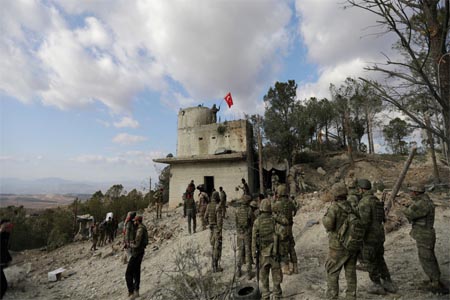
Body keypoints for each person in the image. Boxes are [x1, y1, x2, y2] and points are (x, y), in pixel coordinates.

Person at [402, 184, 449, 294]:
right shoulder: (424, 201)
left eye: (412, 192)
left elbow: (410, 214)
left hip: (424, 235)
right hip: (425, 234)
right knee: (428, 258)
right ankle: (434, 280)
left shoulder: (422, 203)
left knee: (427, 259)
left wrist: (403, 208)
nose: (410, 194)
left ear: (416, 193)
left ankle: (436, 284)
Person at [357, 179, 397, 295]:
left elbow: (364, 222)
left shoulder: (364, 202)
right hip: (379, 235)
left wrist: (357, 237)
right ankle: (388, 282)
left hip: (370, 236)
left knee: (370, 260)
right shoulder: (376, 201)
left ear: (361, 189)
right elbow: (382, 218)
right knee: (380, 258)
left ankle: (377, 285)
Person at [323, 183, 358, 300]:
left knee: (332, 272)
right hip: (351, 245)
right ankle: (351, 296)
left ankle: (332, 297)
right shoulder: (351, 206)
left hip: (337, 247)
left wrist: (324, 217)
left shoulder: (334, 208)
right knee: (351, 272)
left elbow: (328, 225)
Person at [252, 199, 283, 300]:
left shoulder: (257, 222)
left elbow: (253, 239)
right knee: (276, 276)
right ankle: (277, 295)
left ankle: (265, 296)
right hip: (275, 253)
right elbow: (281, 235)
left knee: (264, 277)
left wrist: (254, 254)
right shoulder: (274, 220)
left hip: (262, 254)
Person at [272, 184, 298, 275]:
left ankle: (286, 268)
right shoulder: (290, 202)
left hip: (281, 229)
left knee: (283, 248)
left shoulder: (277, 204)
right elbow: (295, 210)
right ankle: (295, 267)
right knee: (291, 246)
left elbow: (270, 210)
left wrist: (274, 198)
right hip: (289, 228)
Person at [125, 215, 148, 299]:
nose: (134, 222)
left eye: (135, 221)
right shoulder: (141, 227)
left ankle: (131, 292)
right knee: (136, 272)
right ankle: (136, 291)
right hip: (139, 252)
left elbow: (137, 244)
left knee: (128, 273)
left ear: (137, 221)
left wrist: (129, 244)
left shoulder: (140, 229)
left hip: (137, 253)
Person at [235, 194, 254, 279]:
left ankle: (238, 271)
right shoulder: (249, 210)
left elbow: (236, 222)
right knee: (248, 252)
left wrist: (239, 231)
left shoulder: (237, 210)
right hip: (247, 234)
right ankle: (249, 273)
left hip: (239, 234)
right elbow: (252, 222)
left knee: (239, 252)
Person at [204, 191, 223, 272]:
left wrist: (209, 224)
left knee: (213, 247)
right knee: (217, 247)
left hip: (211, 229)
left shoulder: (208, 205)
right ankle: (215, 267)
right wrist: (219, 230)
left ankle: (213, 265)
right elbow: (219, 220)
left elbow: (205, 217)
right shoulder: (217, 206)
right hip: (216, 229)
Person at [0, 219, 13, 299]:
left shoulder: (5, 235)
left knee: (3, 286)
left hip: (2, 262)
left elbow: (4, 247)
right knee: (3, 286)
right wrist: (1, 229)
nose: (9, 228)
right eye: (7, 227)